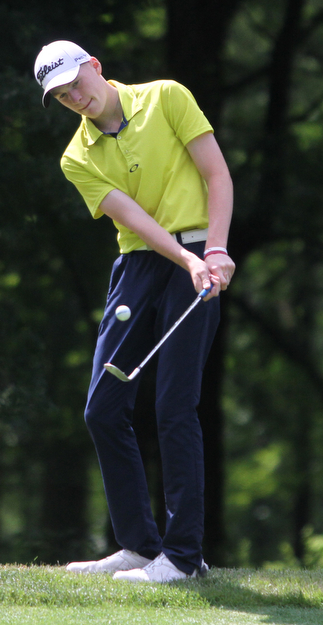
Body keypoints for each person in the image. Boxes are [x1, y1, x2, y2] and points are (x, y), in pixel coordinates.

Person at [34, 40, 235, 583]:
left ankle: (184, 558)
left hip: (196, 249)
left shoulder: (167, 96)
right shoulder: (76, 156)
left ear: (96, 67)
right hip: (140, 267)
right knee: (103, 408)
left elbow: (216, 175)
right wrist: (185, 262)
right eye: (61, 95)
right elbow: (135, 220)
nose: (75, 97)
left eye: (77, 82)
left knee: (174, 407)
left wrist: (211, 252)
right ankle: (140, 546)